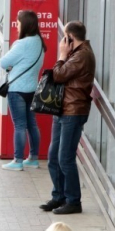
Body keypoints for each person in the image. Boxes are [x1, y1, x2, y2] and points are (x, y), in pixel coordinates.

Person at [41, 21, 96, 215]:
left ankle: (74, 201)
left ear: (70, 37)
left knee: (65, 158)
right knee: (53, 157)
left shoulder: (82, 55)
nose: (62, 41)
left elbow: (58, 75)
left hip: (73, 112)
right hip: (63, 109)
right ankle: (59, 196)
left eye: (64, 37)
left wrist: (61, 55)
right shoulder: (77, 53)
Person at [0, 10, 44, 171]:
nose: (16, 26)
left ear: (24, 25)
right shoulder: (39, 41)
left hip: (17, 89)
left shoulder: (22, 44)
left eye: (18, 23)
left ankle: (17, 160)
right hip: (32, 88)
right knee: (32, 124)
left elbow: (3, 63)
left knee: (19, 125)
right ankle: (33, 158)